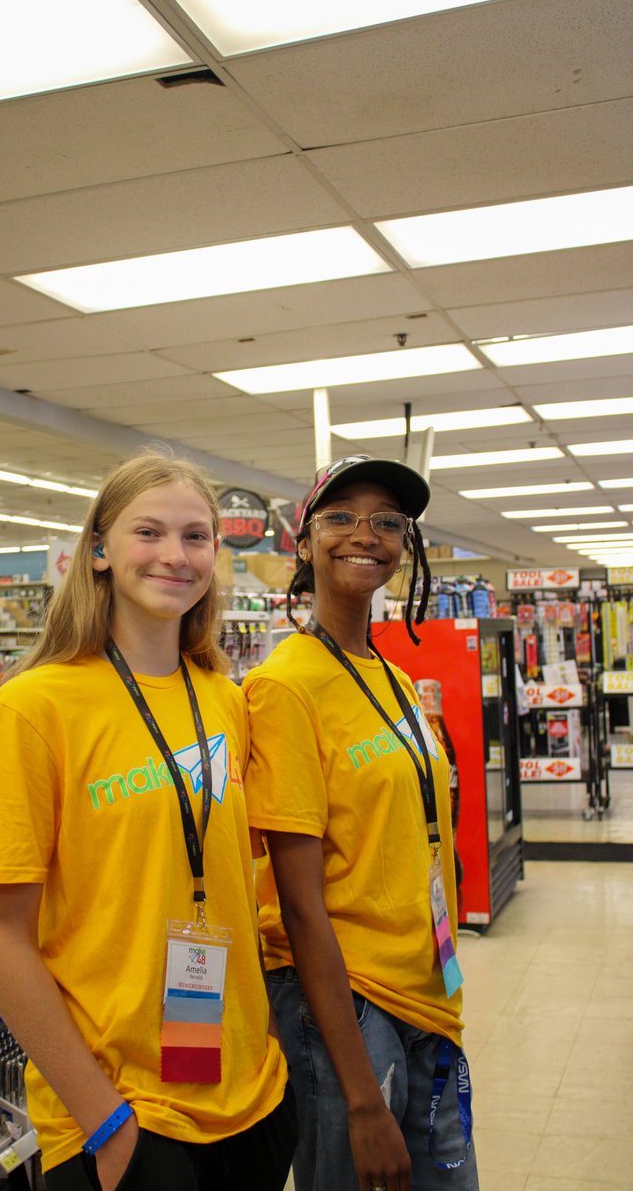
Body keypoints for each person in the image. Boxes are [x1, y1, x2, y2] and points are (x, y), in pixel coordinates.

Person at [0, 452, 295, 1191]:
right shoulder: (33, 708)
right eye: (148, 532)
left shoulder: (223, 698)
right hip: (123, 1117)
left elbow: (235, 885)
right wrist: (106, 1123)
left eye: (197, 536)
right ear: (98, 549)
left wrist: (270, 1047)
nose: (175, 556)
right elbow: (1, 937)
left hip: (253, 1097)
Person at [243, 454, 478, 1191]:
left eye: (386, 521)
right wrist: (360, 1099)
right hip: (348, 1004)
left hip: (424, 986)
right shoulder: (282, 688)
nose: (364, 535)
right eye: (340, 518)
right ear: (303, 544)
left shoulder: (396, 679)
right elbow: (300, 904)